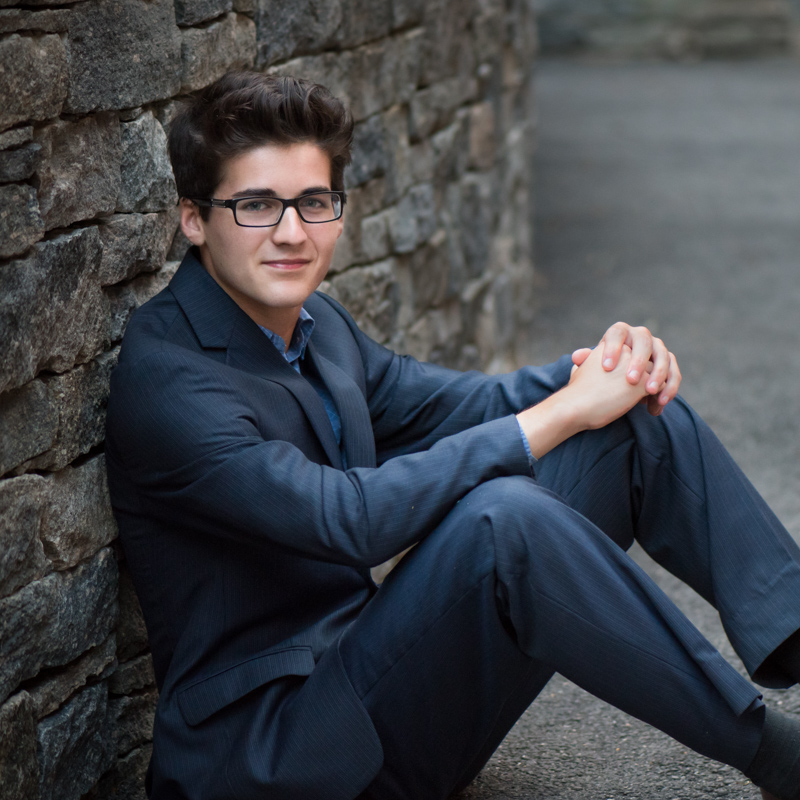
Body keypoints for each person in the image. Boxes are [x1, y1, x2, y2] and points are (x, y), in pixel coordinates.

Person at [105, 71, 800, 800]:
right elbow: (346, 520)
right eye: (255, 205)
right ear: (193, 218)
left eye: (313, 202)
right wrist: (558, 414)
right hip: (281, 757)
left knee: (635, 421)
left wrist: (599, 372)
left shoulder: (317, 326)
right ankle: (775, 754)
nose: (291, 232)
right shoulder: (169, 380)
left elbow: (453, 404)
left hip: (380, 685)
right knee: (506, 524)